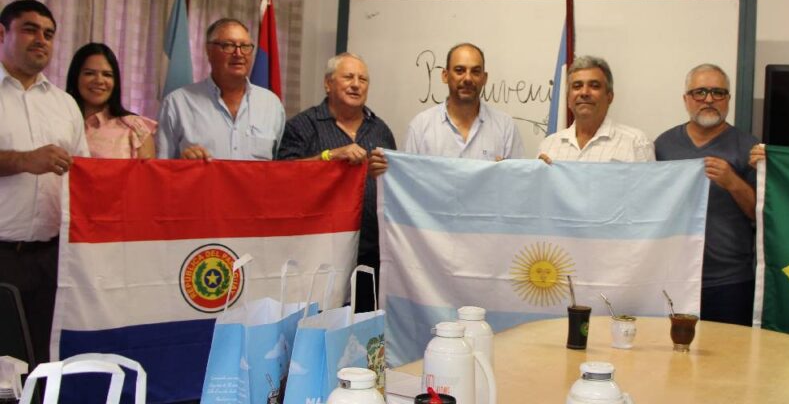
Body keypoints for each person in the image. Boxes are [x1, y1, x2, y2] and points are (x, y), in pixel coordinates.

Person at [0, 0, 89, 362]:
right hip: (2, 253)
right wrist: (24, 160)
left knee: (42, 359)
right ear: (2, 34)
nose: (41, 39)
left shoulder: (65, 104)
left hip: (53, 258)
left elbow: (84, 174)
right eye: (30, 29)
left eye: (49, 34)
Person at [278, 53, 396, 308]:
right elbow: (283, 177)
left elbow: (394, 185)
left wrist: (383, 173)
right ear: (328, 83)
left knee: (365, 324)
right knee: (319, 322)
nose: (356, 84)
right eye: (348, 77)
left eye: (363, 79)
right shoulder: (303, 126)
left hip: (370, 254)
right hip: (317, 255)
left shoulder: (381, 130)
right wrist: (329, 156)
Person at [655, 64, 758, 325]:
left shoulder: (749, 146)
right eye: (700, 92)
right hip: (674, 276)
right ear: (686, 99)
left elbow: (761, 215)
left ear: (728, 99)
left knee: (729, 349)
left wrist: (733, 182)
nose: (709, 99)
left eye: (718, 92)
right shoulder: (663, 145)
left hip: (730, 280)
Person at [157, 18, 285, 160]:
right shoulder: (177, 104)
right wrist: (183, 165)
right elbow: (161, 169)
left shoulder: (271, 105)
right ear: (209, 50)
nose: (239, 53)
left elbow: (280, 168)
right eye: (228, 45)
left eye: (245, 46)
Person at [404, 42, 524, 160]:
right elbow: (406, 172)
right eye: (459, 70)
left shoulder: (505, 127)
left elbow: (517, 173)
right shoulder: (420, 127)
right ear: (445, 76)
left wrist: (505, 170)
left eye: (475, 71)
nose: (468, 78)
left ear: (484, 78)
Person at [538, 55, 654, 162]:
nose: (584, 93)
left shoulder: (636, 143)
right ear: (568, 99)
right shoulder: (549, 146)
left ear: (609, 97)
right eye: (577, 86)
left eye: (594, 86)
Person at [66, 42, 156, 158]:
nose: (99, 81)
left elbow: (148, 170)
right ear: (75, 77)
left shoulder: (135, 128)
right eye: (89, 73)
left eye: (107, 75)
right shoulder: (59, 122)